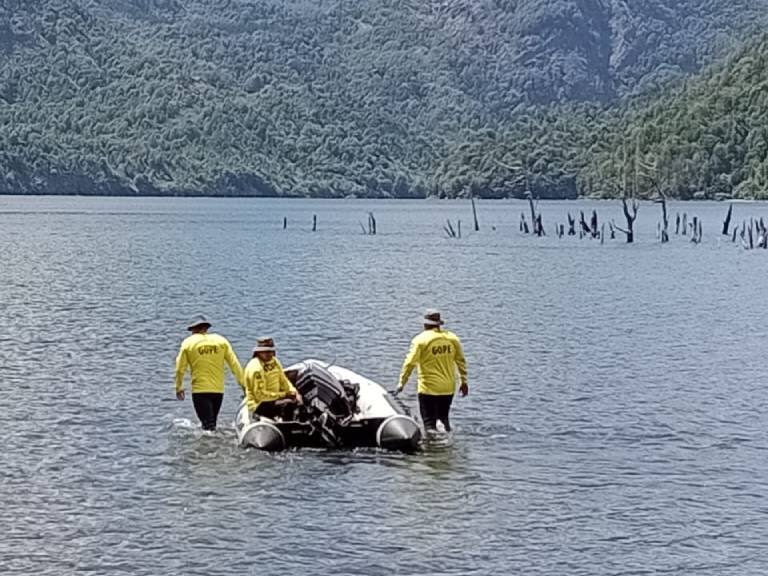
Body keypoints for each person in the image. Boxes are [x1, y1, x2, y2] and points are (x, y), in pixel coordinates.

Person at [396, 309, 468, 433]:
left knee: (430, 425)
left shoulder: (420, 340)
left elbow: (409, 363)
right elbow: (461, 361)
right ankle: (447, 444)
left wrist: (401, 383)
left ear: (425, 324)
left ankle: (432, 448)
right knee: (444, 420)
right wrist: (464, 381)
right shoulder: (452, 338)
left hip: (428, 389)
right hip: (448, 388)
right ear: (439, 324)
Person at [175, 315, 244, 431]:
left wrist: (178, 387)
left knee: (207, 427)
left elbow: (179, 368)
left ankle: (209, 447)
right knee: (212, 424)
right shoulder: (221, 341)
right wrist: (244, 387)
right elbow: (235, 365)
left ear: (193, 329)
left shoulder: (188, 343)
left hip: (200, 391)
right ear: (206, 328)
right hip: (218, 390)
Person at [244, 337, 302, 420]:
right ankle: (286, 426)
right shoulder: (256, 369)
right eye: (266, 352)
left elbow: (283, 380)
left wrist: (294, 392)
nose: (270, 354)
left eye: (271, 351)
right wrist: (284, 395)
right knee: (289, 404)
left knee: (299, 400)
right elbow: (260, 395)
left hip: (274, 398)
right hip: (260, 404)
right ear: (258, 352)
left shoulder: (274, 361)